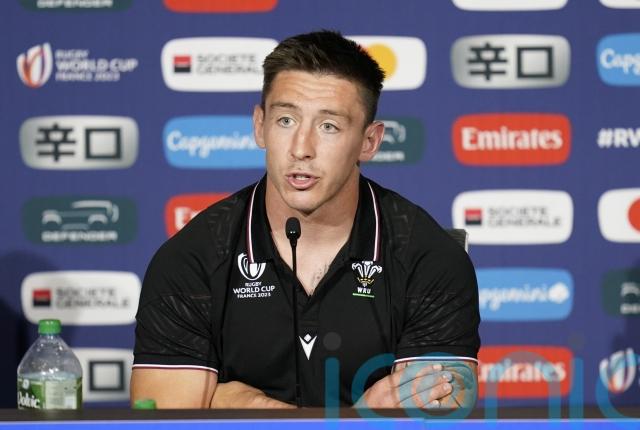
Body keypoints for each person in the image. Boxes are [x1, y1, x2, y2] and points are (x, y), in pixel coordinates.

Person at [130, 30, 480, 410]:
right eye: (285, 120)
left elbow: (437, 411)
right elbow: (164, 419)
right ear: (259, 125)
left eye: (329, 126)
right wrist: (363, 418)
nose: (301, 149)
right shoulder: (192, 260)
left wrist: (246, 408)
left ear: (369, 141)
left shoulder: (429, 259)